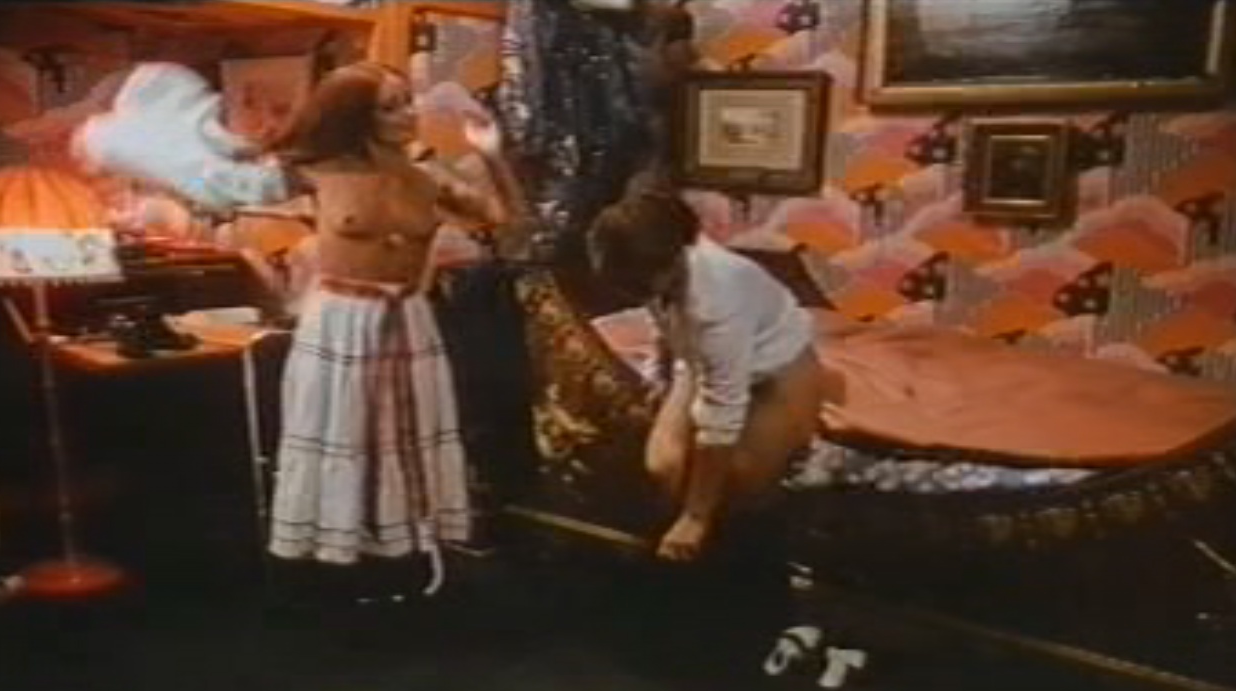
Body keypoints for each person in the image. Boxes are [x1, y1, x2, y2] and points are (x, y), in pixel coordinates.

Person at [257, 61, 524, 593]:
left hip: (408, 319)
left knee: (403, 438)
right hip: (341, 322)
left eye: (408, 102)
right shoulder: (318, 171)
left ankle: (401, 560)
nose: (408, 114)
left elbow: (504, 217)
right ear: (358, 117)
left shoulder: (425, 179)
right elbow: (230, 185)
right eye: (390, 107)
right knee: (344, 435)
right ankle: (331, 566)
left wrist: (494, 156)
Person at [585, 190, 827, 561]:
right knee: (664, 467)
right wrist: (661, 373)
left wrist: (695, 517)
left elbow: (722, 416)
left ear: (675, 258)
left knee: (740, 479)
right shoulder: (649, 274)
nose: (633, 291)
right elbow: (662, 319)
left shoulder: (719, 295)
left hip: (777, 367)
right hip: (697, 360)